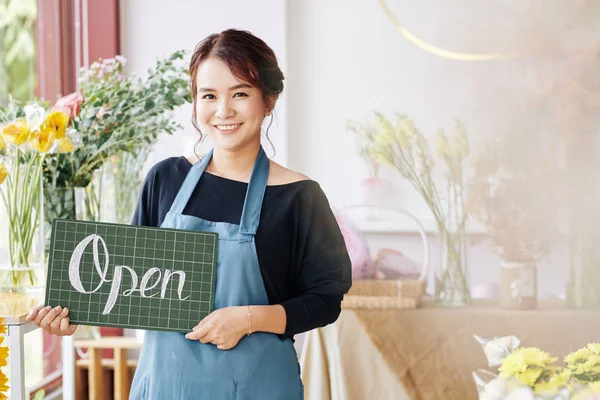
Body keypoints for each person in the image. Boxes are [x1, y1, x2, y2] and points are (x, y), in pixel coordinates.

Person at [27, 28, 352, 399]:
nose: (223, 111)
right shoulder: (166, 178)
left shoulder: (299, 197)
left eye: (240, 93)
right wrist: (75, 314)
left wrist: (248, 319)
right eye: (209, 95)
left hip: (257, 388)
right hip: (166, 387)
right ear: (195, 102)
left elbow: (325, 302)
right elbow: (131, 285)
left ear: (269, 99)